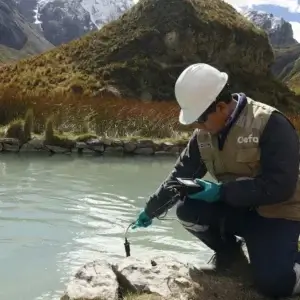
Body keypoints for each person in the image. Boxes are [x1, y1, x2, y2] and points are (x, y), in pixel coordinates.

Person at [131, 63, 300, 298]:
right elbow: (181, 174)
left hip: (277, 214)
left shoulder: (271, 123)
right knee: (188, 210)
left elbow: (280, 186)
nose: (197, 127)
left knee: (274, 285)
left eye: (199, 120)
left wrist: (221, 193)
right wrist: (151, 209)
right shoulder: (204, 134)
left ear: (221, 107)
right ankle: (232, 260)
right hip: (240, 210)